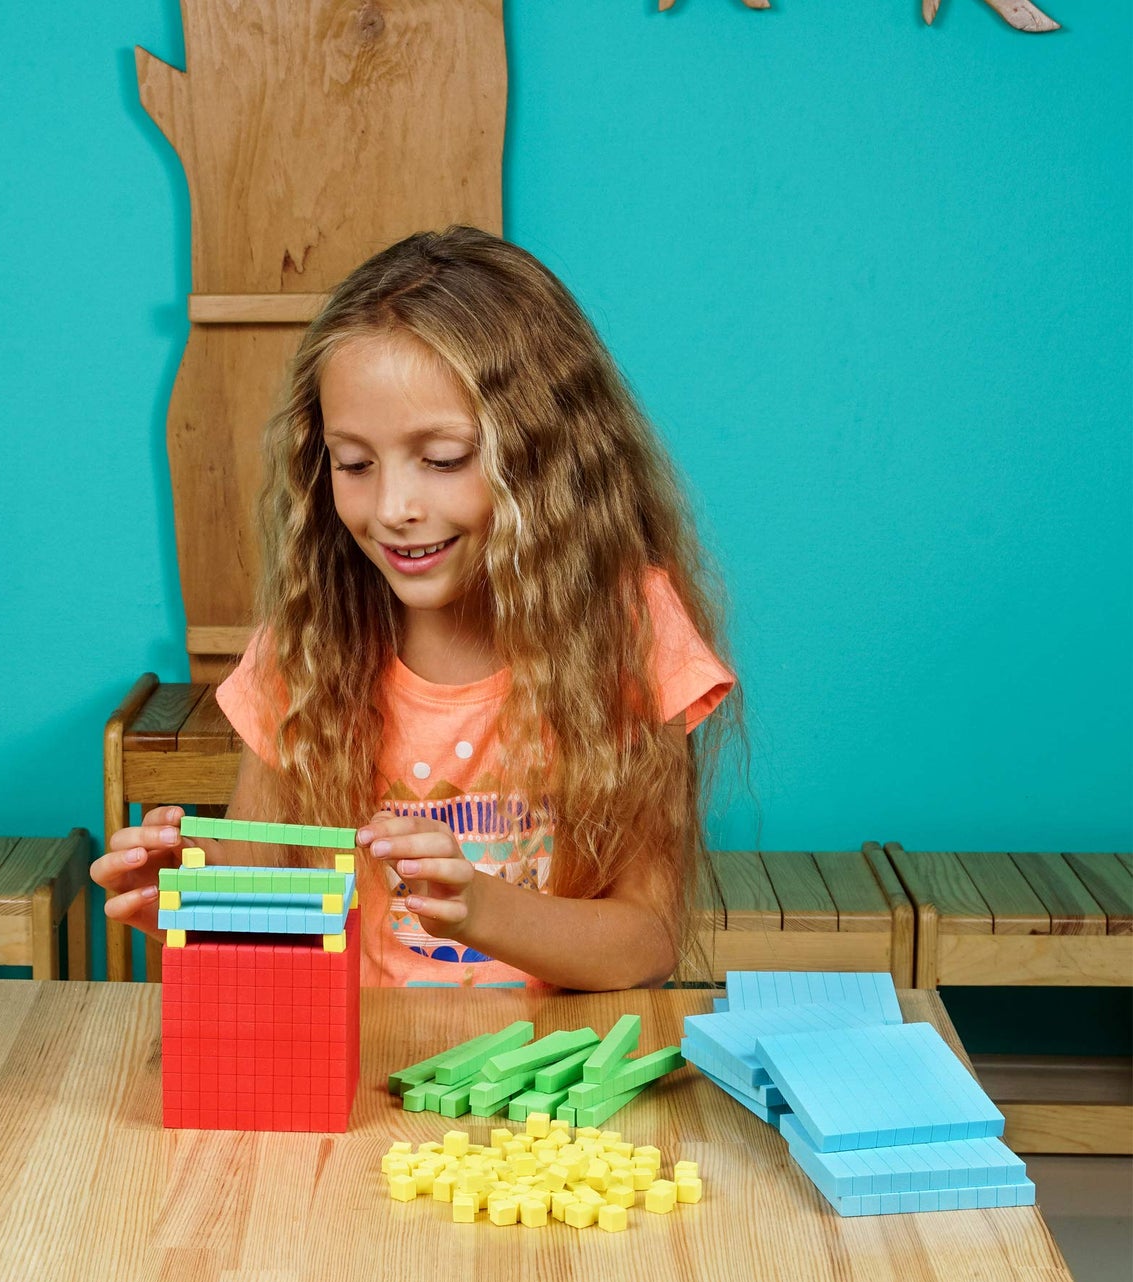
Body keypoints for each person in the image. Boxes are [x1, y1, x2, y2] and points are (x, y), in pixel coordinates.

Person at [92, 226, 742, 990]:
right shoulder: (308, 643)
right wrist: (189, 901)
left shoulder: (632, 629)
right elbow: (258, 909)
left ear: (543, 455)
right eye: (354, 463)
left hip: (554, 1062)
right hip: (369, 1059)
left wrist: (480, 909)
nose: (393, 507)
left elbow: (648, 938)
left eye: (441, 459)